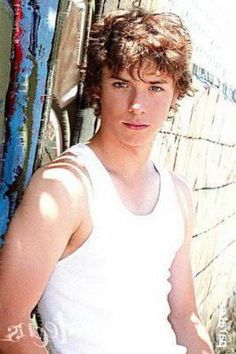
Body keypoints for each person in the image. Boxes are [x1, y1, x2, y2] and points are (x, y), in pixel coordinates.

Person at [0, 8, 214, 354]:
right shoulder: (65, 188)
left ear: (177, 94)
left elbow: (185, 317)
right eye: (121, 84)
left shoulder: (178, 194)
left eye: (155, 87)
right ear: (98, 87)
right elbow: (7, 326)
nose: (137, 105)